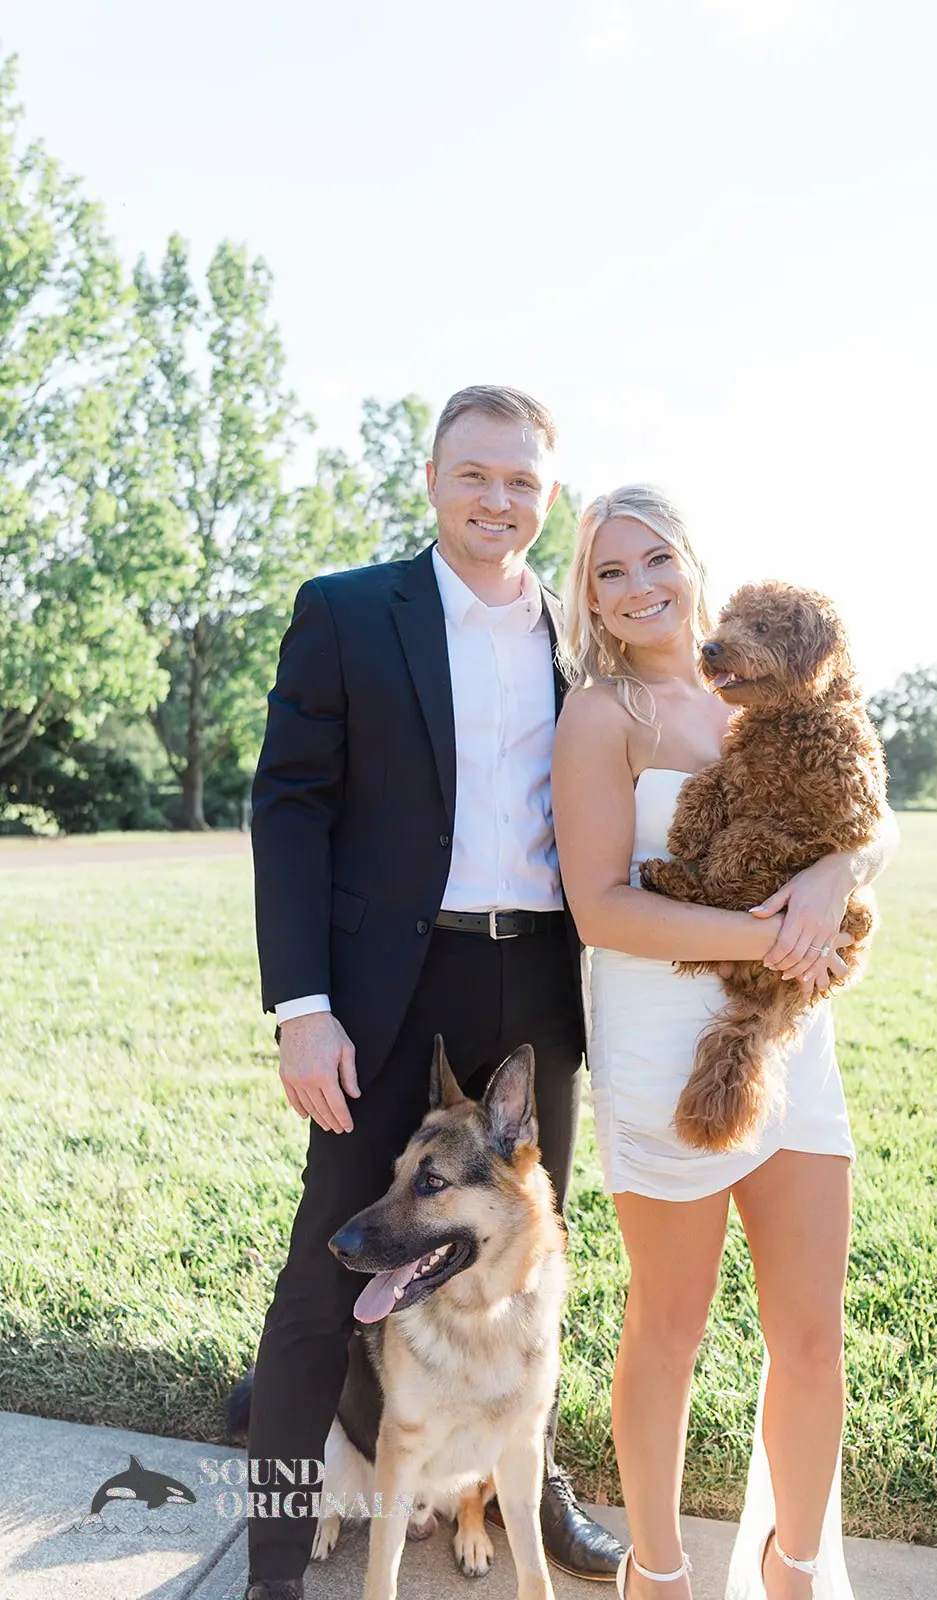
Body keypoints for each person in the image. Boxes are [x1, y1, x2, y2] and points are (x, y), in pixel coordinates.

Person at [244, 386, 625, 1599]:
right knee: (327, 1272)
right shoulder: (350, 610)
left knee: (527, 1257)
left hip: (540, 981)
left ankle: (533, 1485)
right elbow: (288, 807)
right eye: (474, 474)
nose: (496, 499)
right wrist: (302, 1003)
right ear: (431, 479)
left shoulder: (583, 636)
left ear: (547, 495)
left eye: (520, 480)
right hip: (388, 990)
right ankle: (270, 1560)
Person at [551, 485, 899, 1600]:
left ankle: (790, 1567)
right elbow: (601, 909)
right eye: (609, 572)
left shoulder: (766, 684)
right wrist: (773, 933)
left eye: (655, 558)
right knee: (669, 1328)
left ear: (694, 562)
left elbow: (869, 805)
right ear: (590, 598)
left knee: (811, 1336)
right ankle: (655, 1572)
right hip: (662, 1044)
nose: (638, 587)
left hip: (788, 1036)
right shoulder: (599, 715)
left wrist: (838, 872)